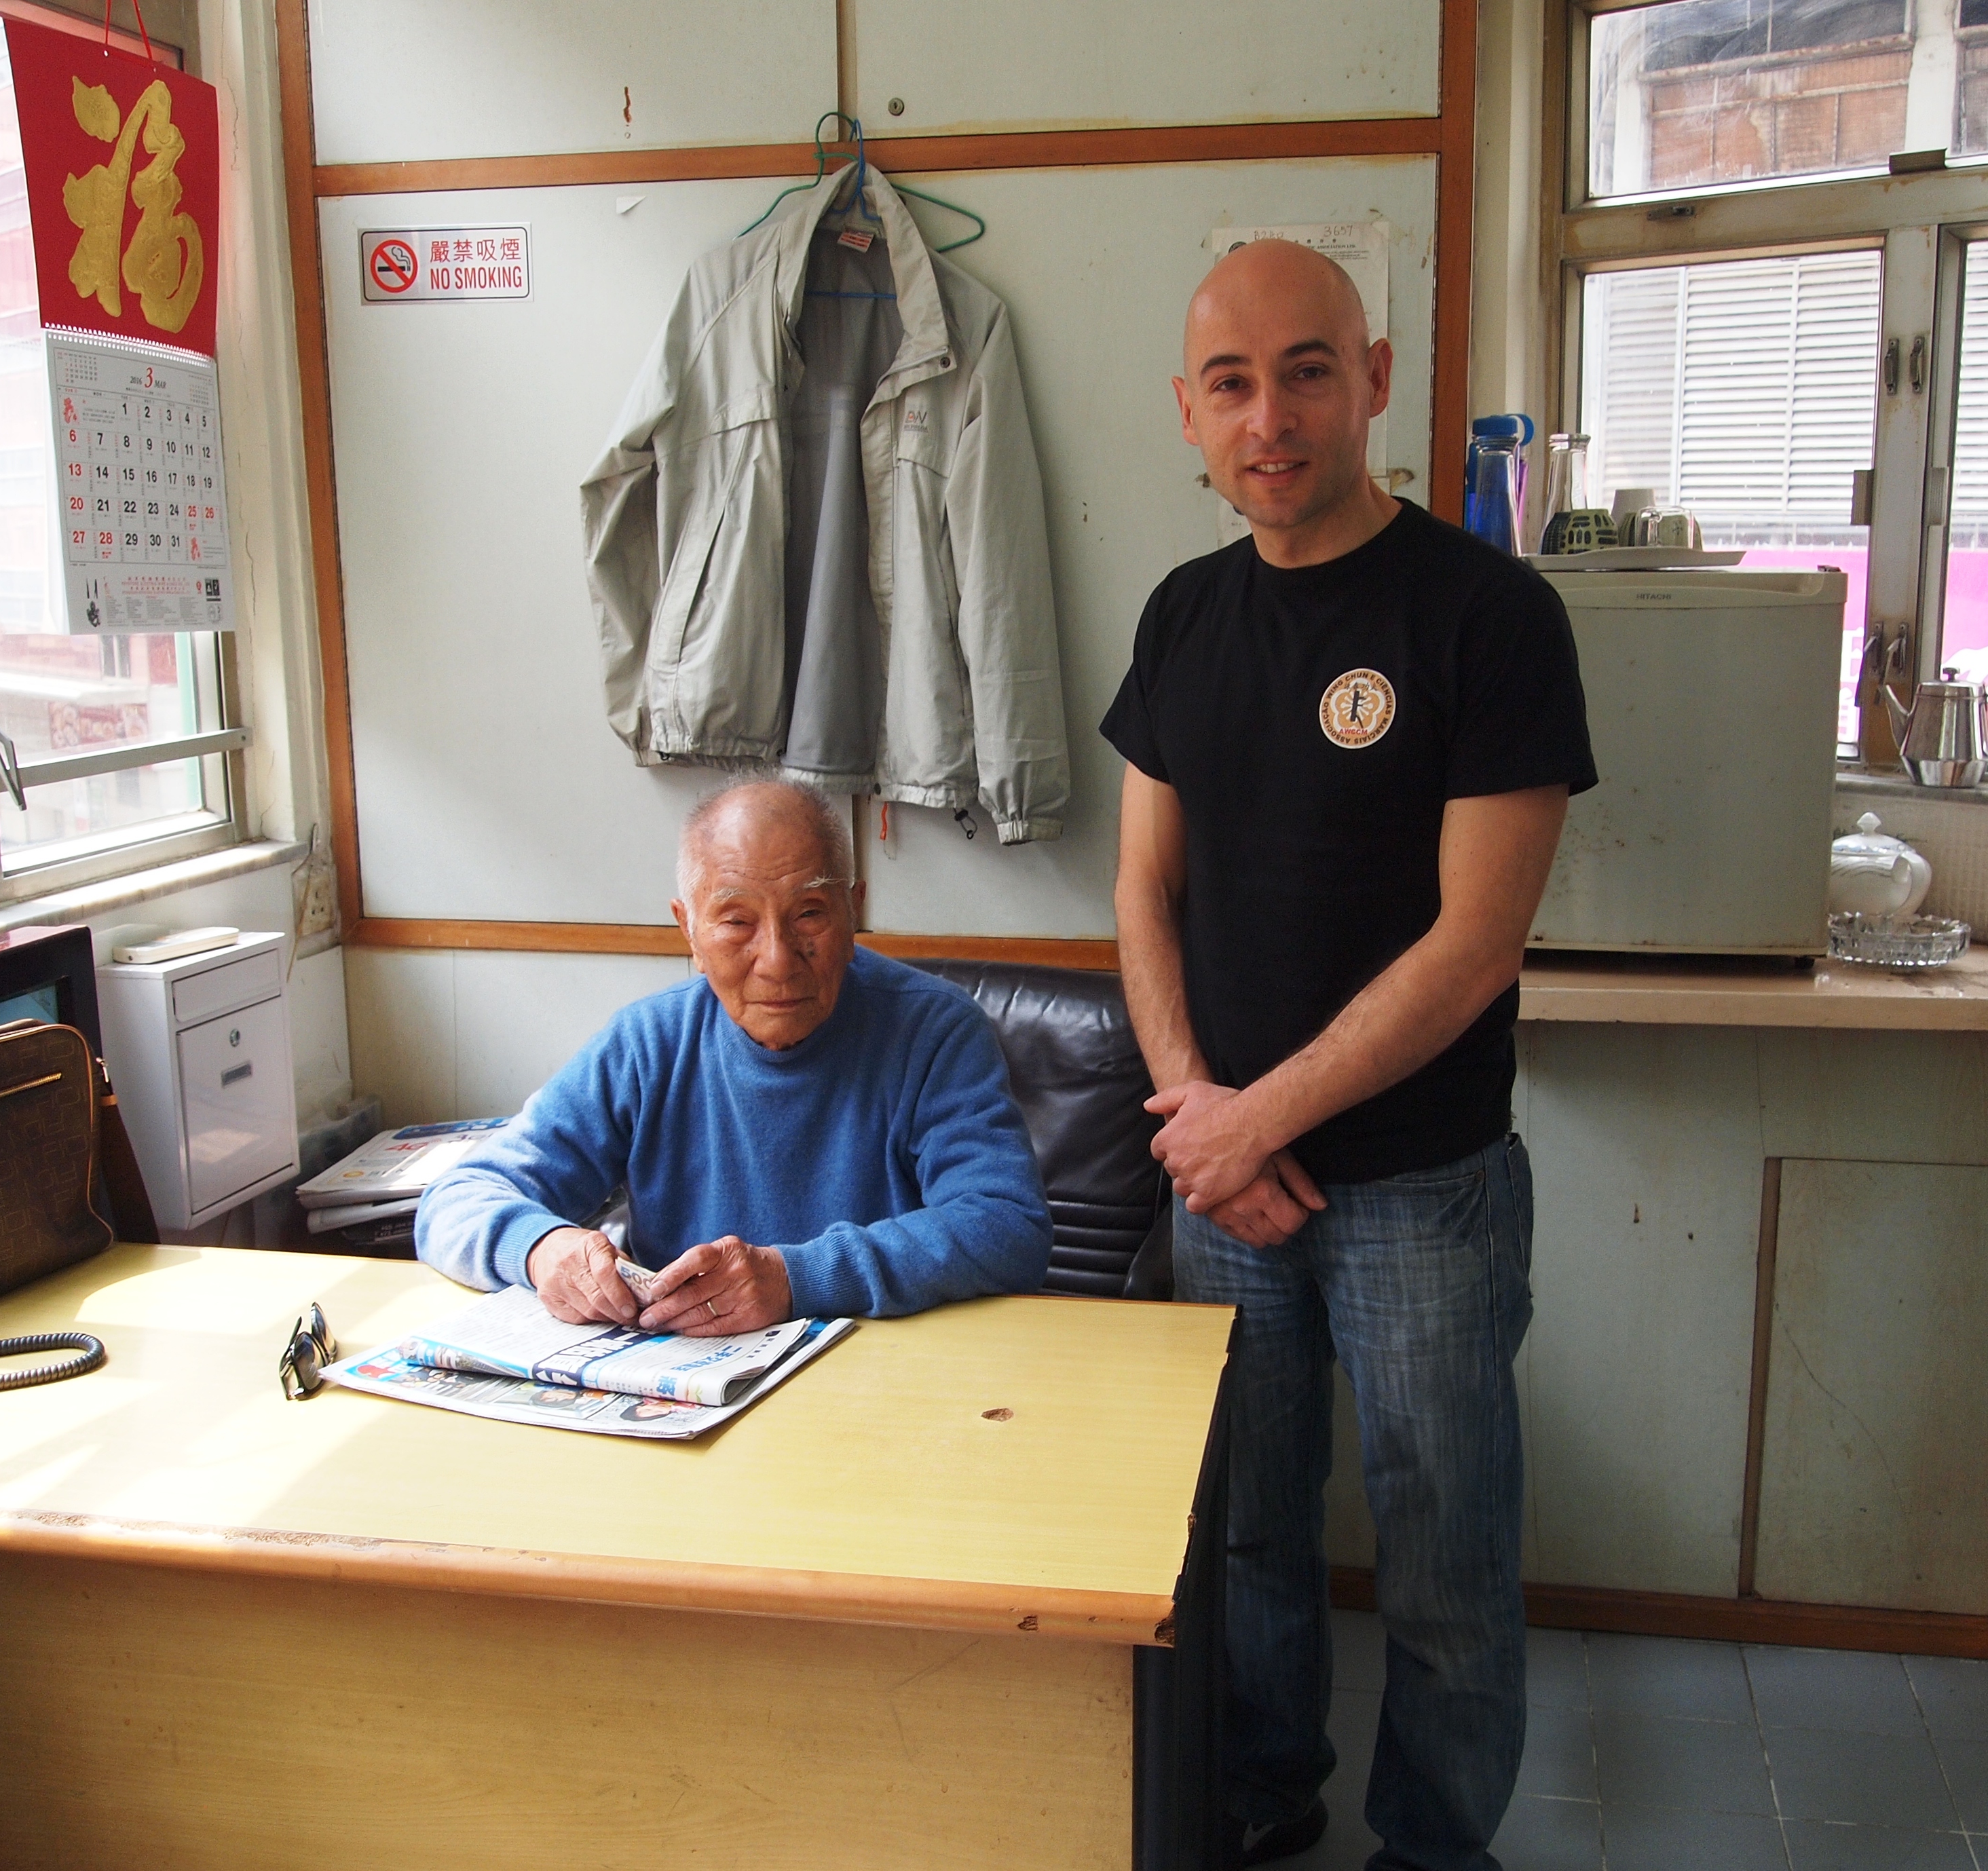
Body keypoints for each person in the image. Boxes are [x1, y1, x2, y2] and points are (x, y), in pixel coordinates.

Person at [1099, 240, 1596, 1871]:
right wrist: (1195, 1118)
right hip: (1224, 1179)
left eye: (1307, 369)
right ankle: (1260, 1790)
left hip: (1421, 1190)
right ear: (1188, 412)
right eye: (1231, 383)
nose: (1271, 414)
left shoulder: (1488, 616)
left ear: (1373, 378)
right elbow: (1142, 884)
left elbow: (1471, 944)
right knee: (1244, 1525)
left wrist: (1254, 1123)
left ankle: (1435, 1843)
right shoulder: (1183, 614)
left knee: (1444, 1553)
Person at [415, 778, 1051, 1331]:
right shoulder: (646, 1044)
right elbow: (458, 1198)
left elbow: (1006, 1226)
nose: (776, 960)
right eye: (735, 921)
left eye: (808, 912)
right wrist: (541, 1248)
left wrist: (792, 1278)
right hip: (683, 1392)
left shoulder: (933, 1031)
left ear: (853, 910)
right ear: (686, 929)